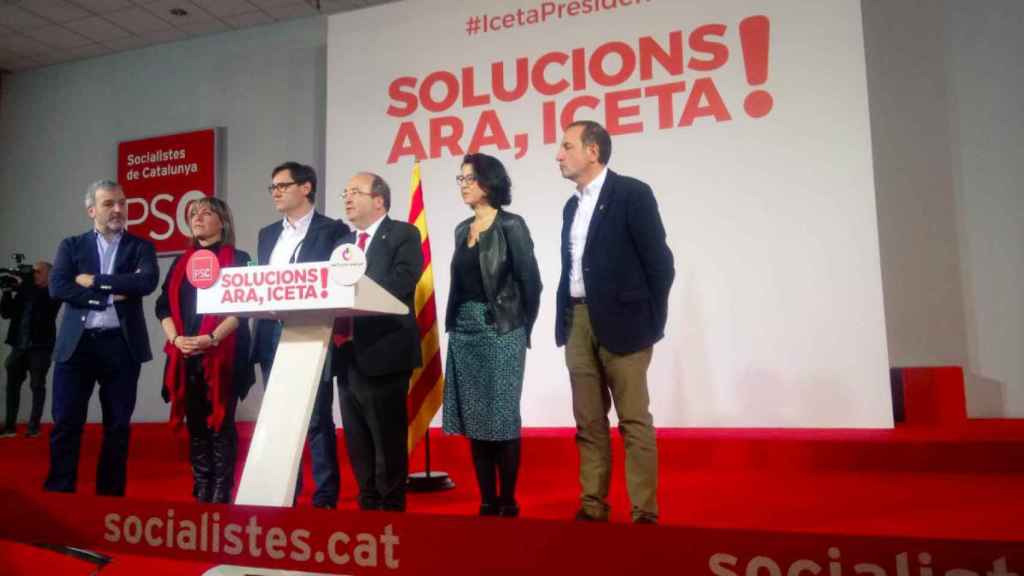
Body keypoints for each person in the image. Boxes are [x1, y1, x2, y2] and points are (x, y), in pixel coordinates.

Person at [555, 120, 675, 524]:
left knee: (633, 420)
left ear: (593, 151)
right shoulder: (571, 205)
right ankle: (593, 506)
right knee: (588, 421)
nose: (558, 154)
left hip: (627, 322)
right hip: (578, 319)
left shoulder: (631, 194)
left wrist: (650, 318)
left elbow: (660, 264)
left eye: (567, 146)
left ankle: (644, 513)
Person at [442, 153, 542, 517]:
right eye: (461, 178)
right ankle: (486, 500)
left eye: (470, 178)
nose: (464, 184)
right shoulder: (460, 229)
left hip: (502, 328)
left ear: (490, 182)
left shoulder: (511, 225)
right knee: (476, 419)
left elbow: (532, 282)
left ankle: (508, 500)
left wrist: (519, 327)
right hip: (465, 330)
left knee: (501, 416)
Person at [44, 179, 159, 496]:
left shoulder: (141, 247)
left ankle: (109, 500)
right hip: (77, 348)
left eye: (122, 203)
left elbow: (145, 283)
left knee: (118, 426)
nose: (118, 209)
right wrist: (109, 294)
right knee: (66, 422)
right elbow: (59, 287)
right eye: (109, 204)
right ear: (91, 209)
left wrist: (93, 281)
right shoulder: (71, 246)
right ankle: (60, 493)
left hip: (121, 346)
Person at [252, 161, 350, 509]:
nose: (276, 192)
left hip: (311, 334)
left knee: (316, 419)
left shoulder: (334, 230)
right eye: (273, 187)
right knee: (278, 419)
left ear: (306, 187)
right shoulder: (267, 234)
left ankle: (324, 499)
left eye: (283, 185)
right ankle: (284, 495)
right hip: (270, 335)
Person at [156, 197, 254, 503]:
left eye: (206, 212)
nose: (198, 217)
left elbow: (245, 307)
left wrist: (212, 338)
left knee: (221, 424)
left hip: (224, 353)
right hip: (185, 354)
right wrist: (175, 340)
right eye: (193, 213)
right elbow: (163, 307)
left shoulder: (239, 258)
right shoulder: (180, 262)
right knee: (196, 423)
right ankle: (202, 483)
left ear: (222, 221)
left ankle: (222, 489)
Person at [334, 172, 422, 512]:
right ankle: (367, 503)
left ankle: (390, 508)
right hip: (347, 351)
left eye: (355, 192)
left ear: (379, 200)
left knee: (386, 438)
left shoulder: (401, 233)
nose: (347, 198)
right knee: (357, 439)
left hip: (385, 351)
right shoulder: (342, 244)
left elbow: (404, 279)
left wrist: (356, 290)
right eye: (346, 191)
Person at [1, 261, 61, 438]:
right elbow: (6, 313)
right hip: (18, 345)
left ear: (49, 275)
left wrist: (23, 283)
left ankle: (33, 427)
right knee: (12, 386)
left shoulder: (53, 291)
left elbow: (41, 301)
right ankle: (10, 426)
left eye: (38, 272)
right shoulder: (25, 291)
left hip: (40, 346)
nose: (34, 274)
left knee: (37, 385)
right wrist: (5, 292)